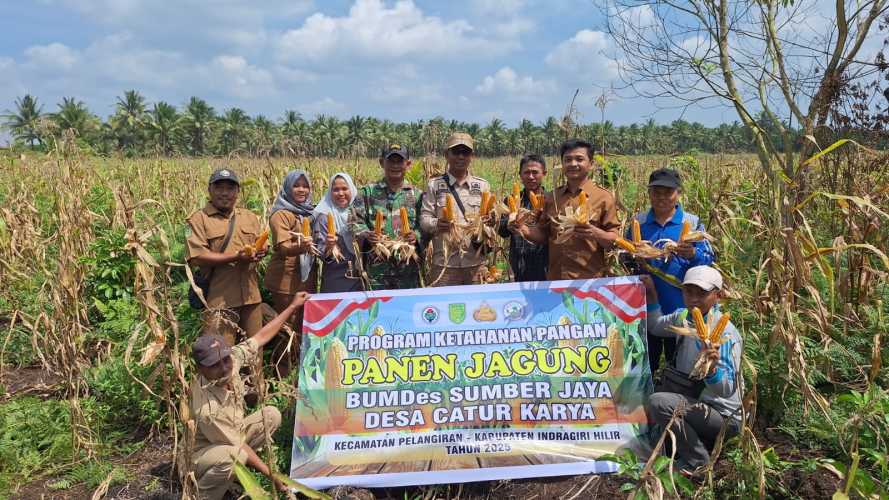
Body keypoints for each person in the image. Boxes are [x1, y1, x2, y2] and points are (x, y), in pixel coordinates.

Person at [190, 291, 310, 500]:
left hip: (230, 440)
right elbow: (237, 445)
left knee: (271, 414)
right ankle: (202, 493)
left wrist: (293, 306)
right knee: (234, 456)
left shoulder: (230, 360)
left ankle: (235, 475)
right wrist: (273, 476)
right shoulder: (207, 408)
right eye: (214, 365)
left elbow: (261, 337)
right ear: (200, 369)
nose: (224, 368)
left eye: (225, 360)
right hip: (202, 455)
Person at [642, 266, 742, 473]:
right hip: (696, 404)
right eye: (689, 291)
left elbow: (727, 390)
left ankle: (698, 461)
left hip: (723, 416)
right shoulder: (683, 318)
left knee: (658, 402)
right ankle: (688, 446)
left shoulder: (724, 334)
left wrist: (712, 370)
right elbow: (655, 326)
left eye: (702, 293)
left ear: (718, 295)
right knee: (650, 400)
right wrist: (651, 296)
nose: (694, 298)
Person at [628, 168, 715, 372]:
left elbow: (708, 261)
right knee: (645, 363)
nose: (662, 197)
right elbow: (625, 260)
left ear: (678, 193)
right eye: (656, 192)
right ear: (649, 194)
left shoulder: (692, 223)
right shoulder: (637, 222)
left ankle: (672, 400)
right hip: (647, 306)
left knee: (679, 365)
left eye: (668, 192)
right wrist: (634, 259)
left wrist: (693, 254)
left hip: (681, 308)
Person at [513, 139, 620, 280]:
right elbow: (543, 235)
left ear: (591, 164)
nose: (573, 164)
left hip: (589, 281)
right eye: (568, 160)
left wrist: (595, 233)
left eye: (579, 159)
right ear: (562, 164)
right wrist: (522, 228)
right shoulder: (552, 198)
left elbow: (615, 240)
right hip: (556, 280)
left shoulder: (603, 197)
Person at [186, 168, 265, 345]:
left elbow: (259, 244)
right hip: (219, 300)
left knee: (253, 350)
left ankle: (253, 375)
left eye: (230, 188)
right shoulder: (198, 219)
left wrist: (261, 252)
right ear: (209, 190)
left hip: (251, 297)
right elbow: (198, 256)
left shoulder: (250, 217)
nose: (224, 193)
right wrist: (236, 257)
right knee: (220, 354)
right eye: (219, 188)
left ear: (238, 192)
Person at [419, 132, 492, 286]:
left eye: (465, 152)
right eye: (456, 152)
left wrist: (488, 223)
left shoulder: (482, 186)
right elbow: (424, 219)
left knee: (478, 308)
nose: (460, 157)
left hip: (475, 264)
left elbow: (492, 220)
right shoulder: (435, 185)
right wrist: (437, 223)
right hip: (444, 266)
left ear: (472, 156)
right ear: (446, 155)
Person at [263, 170, 317, 376]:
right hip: (285, 282)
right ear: (287, 188)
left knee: (302, 328)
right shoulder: (281, 214)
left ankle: (298, 371)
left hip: (305, 281)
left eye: (305, 185)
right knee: (287, 329)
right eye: (296, 185)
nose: (301, 190)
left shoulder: (308, 213)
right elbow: (283, 246)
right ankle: (282, 373)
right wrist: (303, 245)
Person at [350, 144, 423, 290]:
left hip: (407, 272)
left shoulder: (417, 195)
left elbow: (425, 225)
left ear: (408, 164)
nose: (395, 166)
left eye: (400, 161)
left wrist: (416, 235)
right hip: (377, 272)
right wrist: (366, 234)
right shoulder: (366, 193)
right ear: (382, 163)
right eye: (391, 161)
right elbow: (354, 221)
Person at [498, 154, 549, 282]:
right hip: (518, 265)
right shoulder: (511, 200)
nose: (531, 177)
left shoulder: (551, 200)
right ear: (520, 175)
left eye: (535, 172)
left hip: (544, 265)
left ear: (544, 173)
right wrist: (508, 226)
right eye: (526, 172)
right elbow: (502, 231)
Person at [314, 172, 363, 293]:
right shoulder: (323, 216)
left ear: (351, 189)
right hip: (336, 278)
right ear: (330, 192)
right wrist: (329, 247)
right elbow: (319, 251)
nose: (341, 193)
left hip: (361, 277)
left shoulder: (361, 212)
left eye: (344, 189)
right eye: (336, 189)